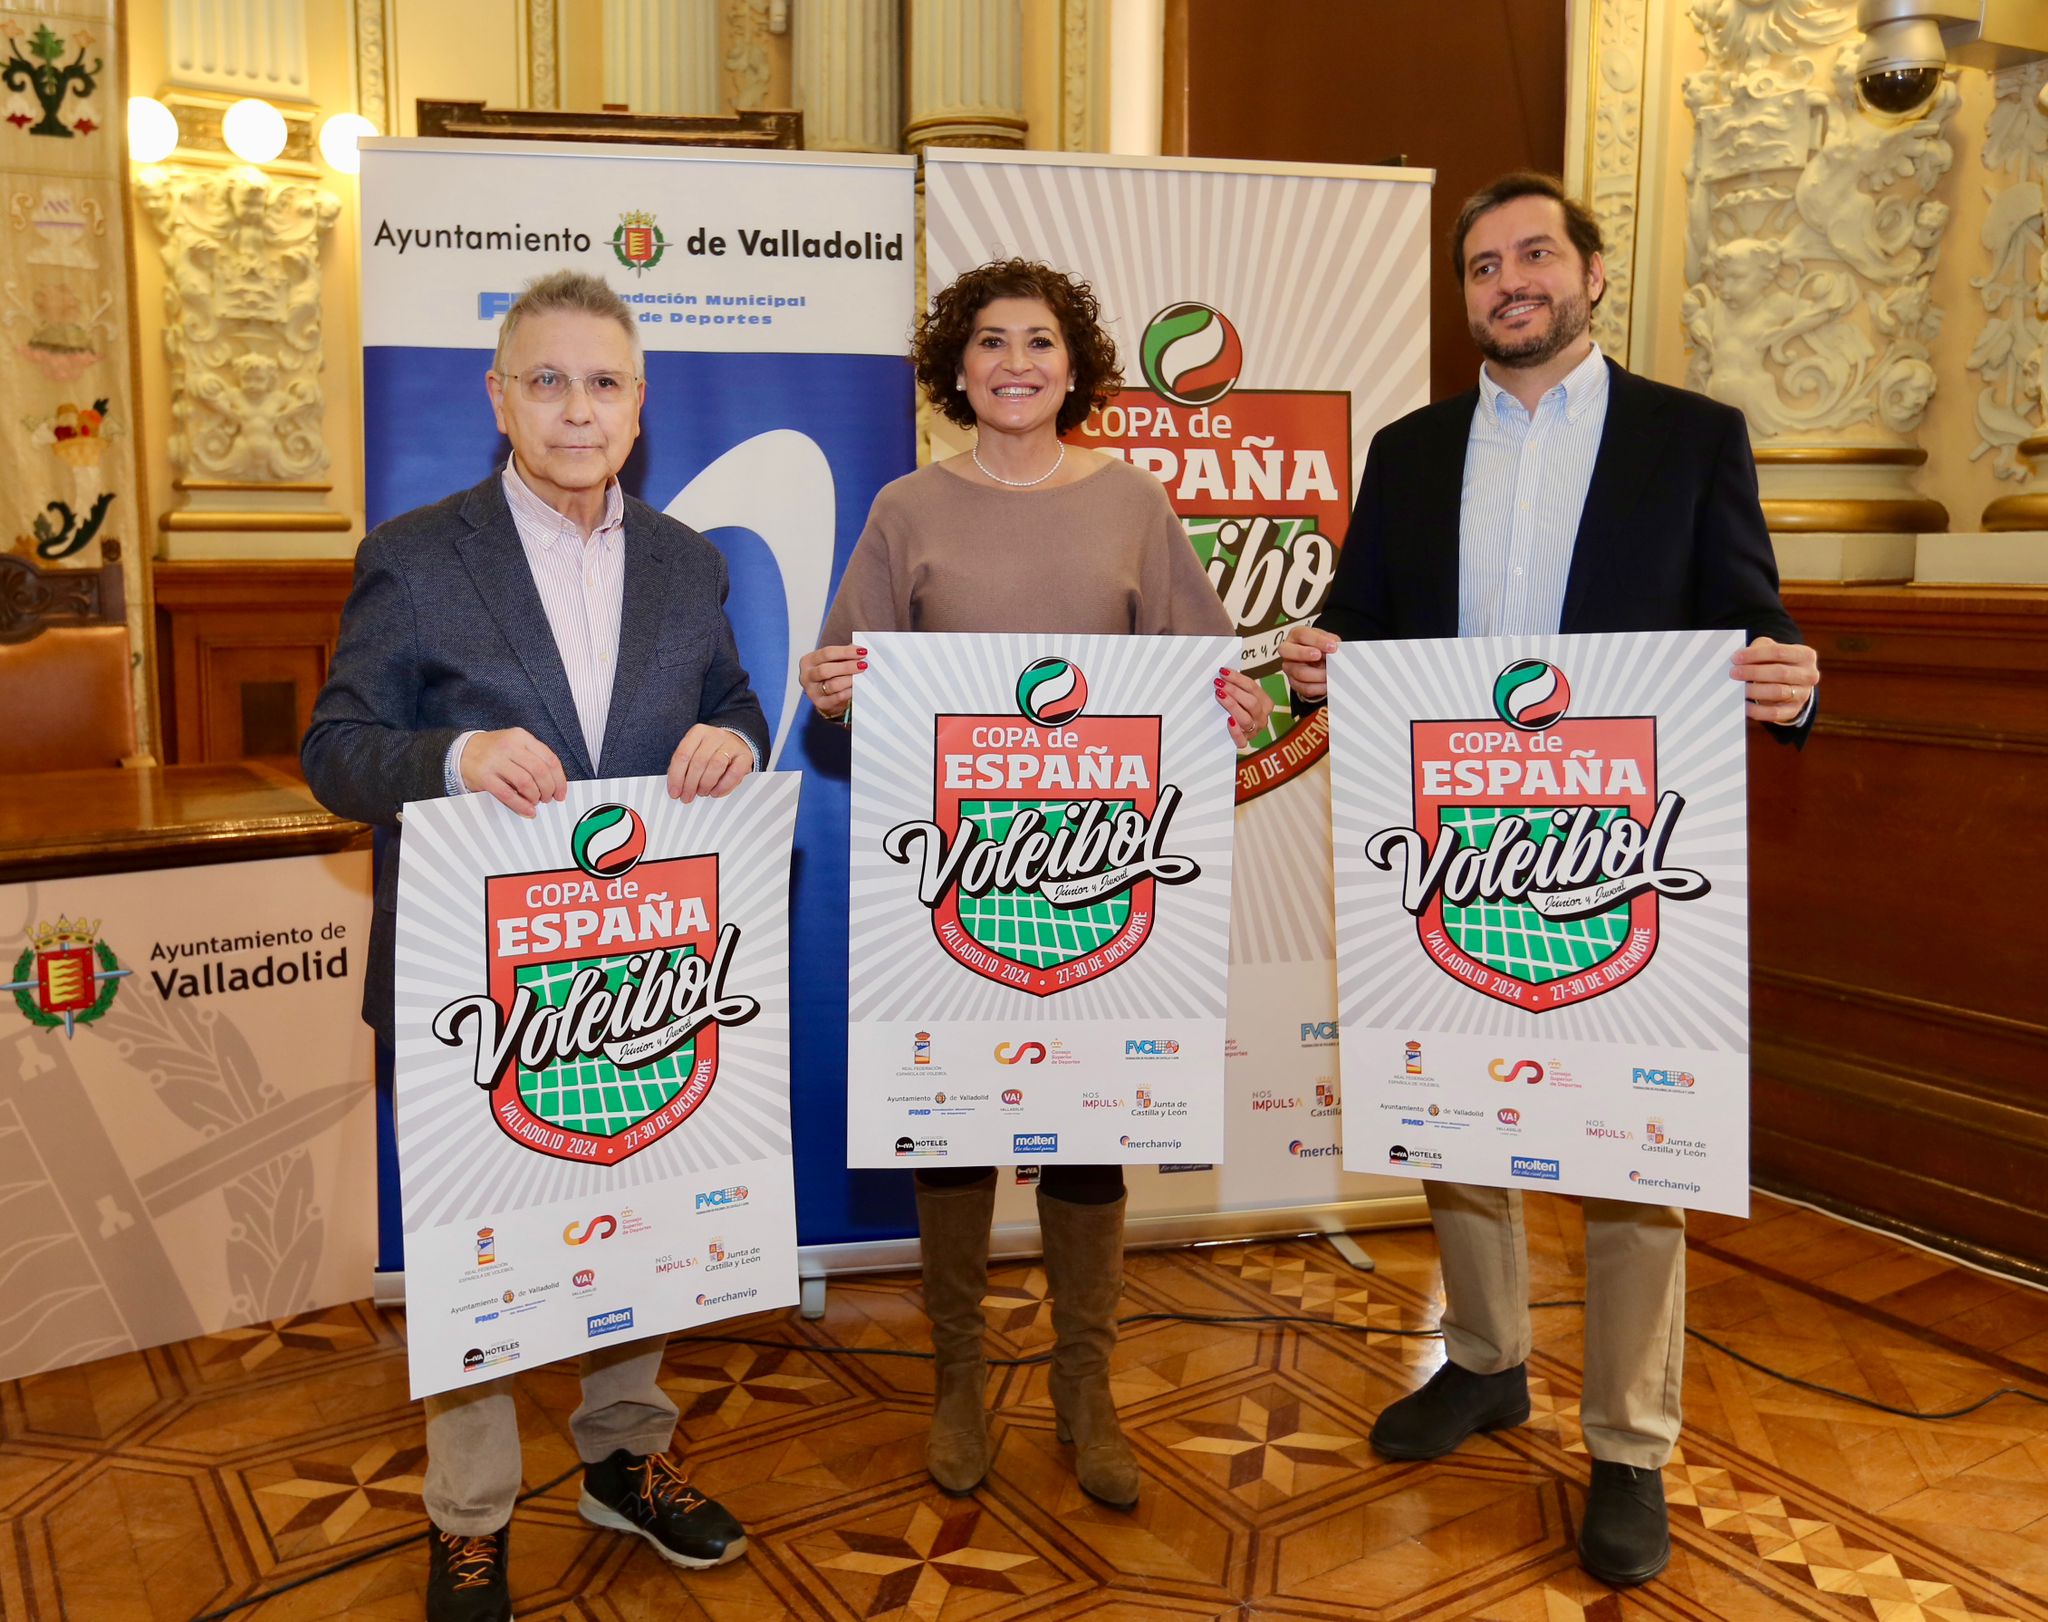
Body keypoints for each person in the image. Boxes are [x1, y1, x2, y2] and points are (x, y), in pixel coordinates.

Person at [1279, 173, 1819, 1590]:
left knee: (1635, 1155)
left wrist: (1792, 680)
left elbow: (1755, 625)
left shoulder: (1690, 439)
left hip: (1616, 857)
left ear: (1590, 272)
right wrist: (1320, 656)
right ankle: (1487, 1358)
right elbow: (1365, 626)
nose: (1507, 281)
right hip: (1454, 851)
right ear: (1460, 295)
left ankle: (1632, 1440)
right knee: (1461, 1119)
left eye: (1533, 254)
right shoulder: (1407, 450)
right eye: (1480, 265)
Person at [302, 270, 769, 1622]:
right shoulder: (414, 550)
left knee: (645, 1217)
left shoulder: (690, 557)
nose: (577, 407)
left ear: (640, 407)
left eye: (604, 382)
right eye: (548, 380)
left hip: (637, 986)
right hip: (477, 998)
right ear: (499, 397)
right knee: (476, 1256)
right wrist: (451, 754)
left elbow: (728, 698)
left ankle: (626, 1455)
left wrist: (733, 733)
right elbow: (336, 751)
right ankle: (470, 1513)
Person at [798, 258, 1271, 1509]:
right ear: (957, 366)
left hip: (1100, 886)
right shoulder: (905, 505)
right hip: (952, 884)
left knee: (1088, 1128)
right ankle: (959, 1378)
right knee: (950, 1125)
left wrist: (1226, 694)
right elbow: (848, 686)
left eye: (1041, 343)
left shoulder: (1134, 501)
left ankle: (1083, 1386)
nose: (1016, 362)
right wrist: (831, 688)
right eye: (992, 341)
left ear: (1076, 368)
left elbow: (1205, 672)